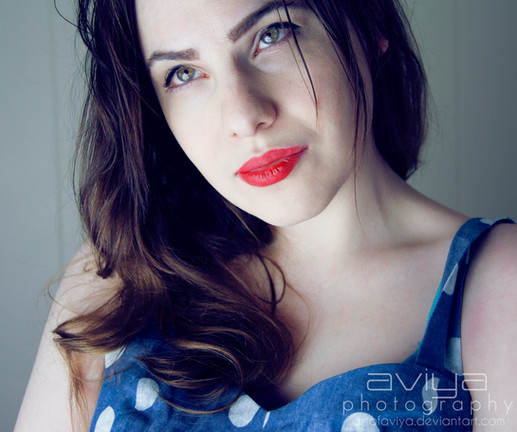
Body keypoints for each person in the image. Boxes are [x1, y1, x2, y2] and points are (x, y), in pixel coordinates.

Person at [15, 0, 517, 430]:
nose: (243, 116)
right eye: (183, 73)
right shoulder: (119, 274)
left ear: (368, 24)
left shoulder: (497, 284)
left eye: (271, 35)